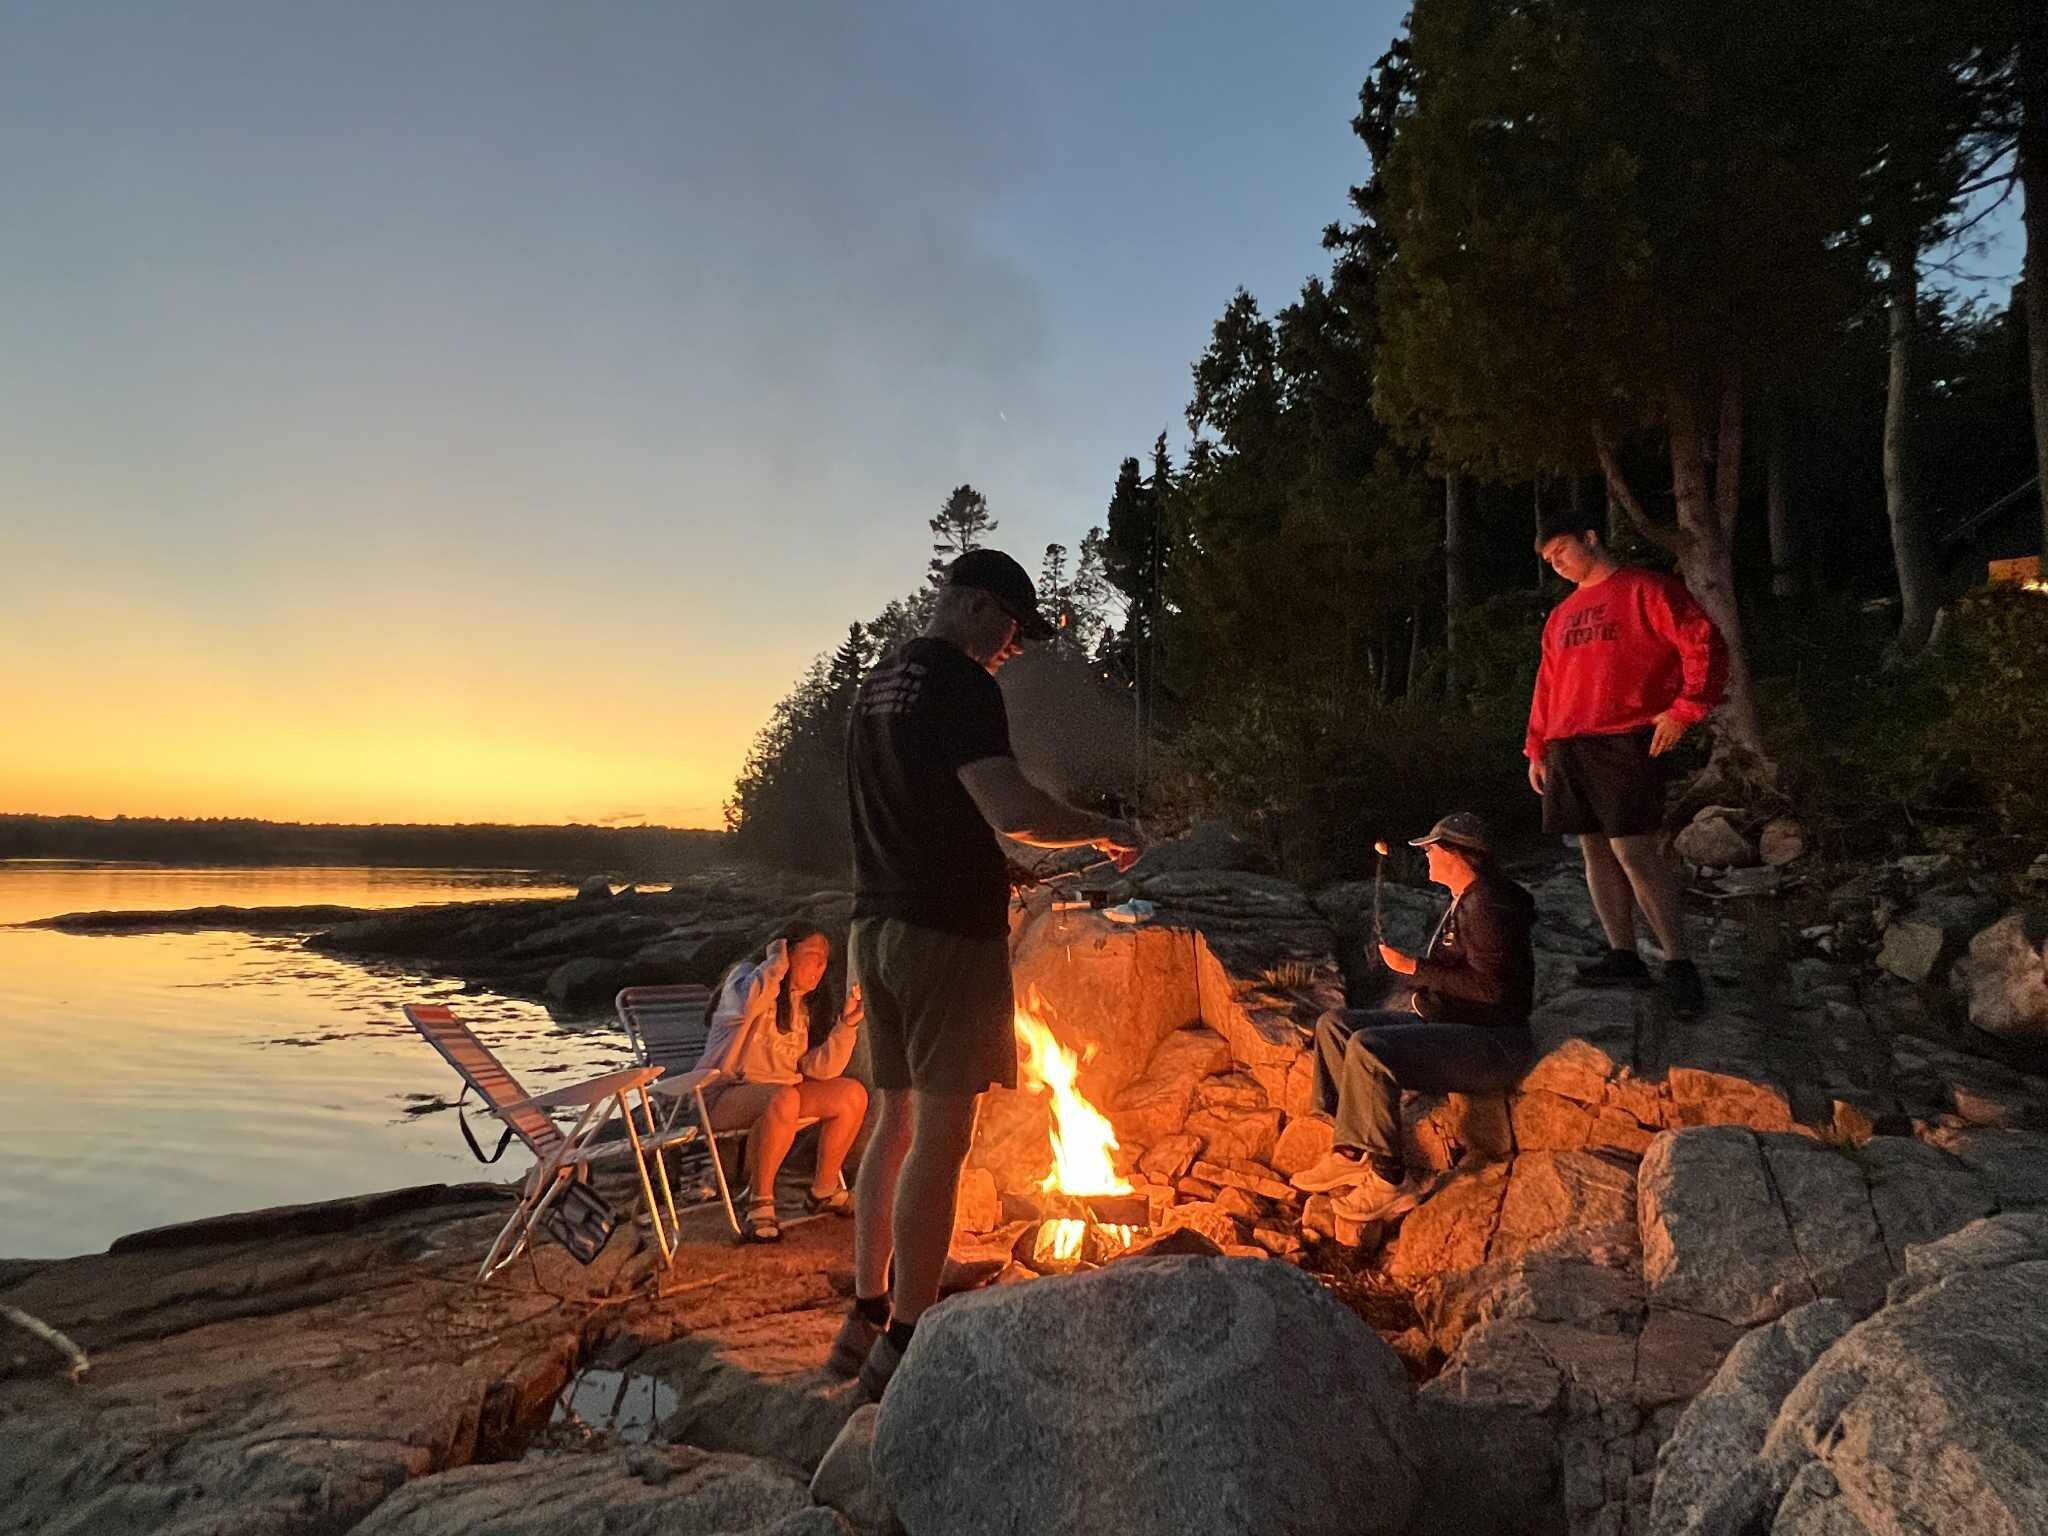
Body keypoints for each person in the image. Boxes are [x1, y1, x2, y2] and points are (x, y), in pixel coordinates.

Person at [832, 548, 1142, 1399]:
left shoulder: (878, 685)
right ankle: (906, 1340)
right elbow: (1014, 812)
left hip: (877, 923)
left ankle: (864, 1311)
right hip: (944, 933)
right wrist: (1099, 832)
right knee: (942, 1138)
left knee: (889, 1122)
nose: (1014, 643)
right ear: (972, 605)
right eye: (1010, 624)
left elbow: (913, 803)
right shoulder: (963, 685)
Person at [1526, 513, 1727, 1015]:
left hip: (1626, 737)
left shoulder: (1645, 589)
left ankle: (1679, 963)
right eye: (1550, 561)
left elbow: (1703, 641)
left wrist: (1684, 710)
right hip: (1570, 742)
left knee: (1632, 848)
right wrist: (1537, 746)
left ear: (1591, 537)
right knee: (1593, 849)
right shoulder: (1561, 615)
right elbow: (1548, 683)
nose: (1559, 565)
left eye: (1563, 551)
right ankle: (1624, 954)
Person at [1291, 812, 1536, 1222]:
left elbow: (1494, 991)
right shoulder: (1467, 898)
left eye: (1432, 850)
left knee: (1370, 1049)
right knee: (1335, 1025)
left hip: (1493, 1042)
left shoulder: (1487, 907)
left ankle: (1389, 1180)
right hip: (1456, 1023)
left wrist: (1413, 969)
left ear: (1457, 855)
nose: (1426, 857)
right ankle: (1351, 1149)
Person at [699, 922, 867, 1244]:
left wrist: (846, 1025)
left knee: (851, 1095)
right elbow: (747, 1005)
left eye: (824, 960)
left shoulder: (802, 1007)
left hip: (780, 1096)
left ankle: (823, 1189)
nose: (820, 966)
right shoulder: (745, 979)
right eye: (813, 955)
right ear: (786, 951)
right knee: (786, 1098)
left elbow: (820, 1070)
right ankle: (760, 1201)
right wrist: (775, 964)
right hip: (722, 1095)